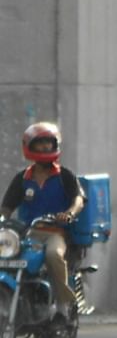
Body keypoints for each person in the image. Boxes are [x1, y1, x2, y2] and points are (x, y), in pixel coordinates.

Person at [0, 122, 85, 319]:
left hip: (55, 233)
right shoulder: (22, 178)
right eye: (40, 143)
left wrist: (70, 213)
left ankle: (64, 304)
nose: (45, 147)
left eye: (48, 143)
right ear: (29, 146)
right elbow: (7, 207)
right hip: (27, 234)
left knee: (54, 255)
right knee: (6, 257)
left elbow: (78, 199)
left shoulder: (65, 175)